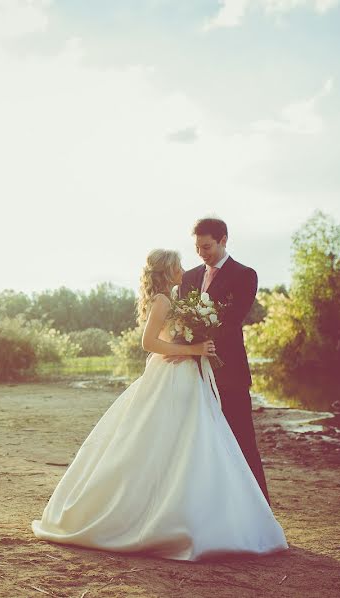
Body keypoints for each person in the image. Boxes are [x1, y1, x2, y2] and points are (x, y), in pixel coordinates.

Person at [30, 248, 287, 561]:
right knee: (167, 442)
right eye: (178, 264)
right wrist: (194, 348)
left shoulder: (173, 297)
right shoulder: (163, 300)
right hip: (171, 377)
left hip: (186, 377)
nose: (184, 268)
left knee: (191, 443)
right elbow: (149, 343)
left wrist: (195, 345)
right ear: (169, 270)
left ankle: (192, 512)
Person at [167, 217, 270, 504]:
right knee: (198, 443)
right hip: (192, 371)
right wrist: (186, 344)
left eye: (207, 247)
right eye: (198, 248)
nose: (202, 253)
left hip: (230, 373)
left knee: (242, 441)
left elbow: (233, 319)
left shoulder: (245, 275)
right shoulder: (189, 277)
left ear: (224, 240)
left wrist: (203, 341)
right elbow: (181, 319)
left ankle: (260, 510)